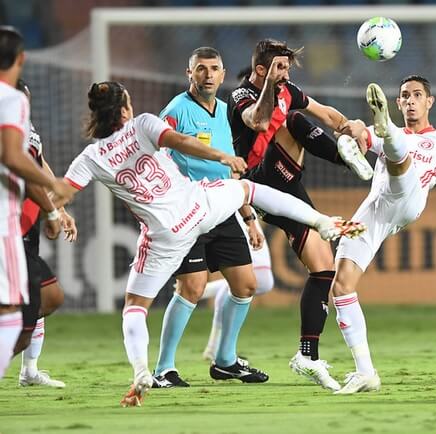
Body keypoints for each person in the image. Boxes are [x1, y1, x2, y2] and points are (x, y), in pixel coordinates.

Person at [55, 81, 365, 407]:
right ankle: (322, 222)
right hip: (197, 206)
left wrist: (57, 212)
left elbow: (61, 190)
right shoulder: (142, 123)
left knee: (135, 307)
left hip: (165, 235)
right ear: (124, 109)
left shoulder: (89, 157)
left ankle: (141, 372)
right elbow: (180, 142)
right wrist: (221, 155)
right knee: (248, 190)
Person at [228, 39, 371, 391]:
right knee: (291, 120)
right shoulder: (241, 96)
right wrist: (273, 90)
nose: (285, 74)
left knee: (323, 268)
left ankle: (307, 355)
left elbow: (325, 113)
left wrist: (352, 127)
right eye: (278, 68)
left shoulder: (287, 89)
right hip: (259, 181)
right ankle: (344, 159)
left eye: (287, 68)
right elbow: (258, 123)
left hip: (289, 185)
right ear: (260, 70)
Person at [330, 78, 436, 394]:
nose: (410, 101)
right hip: (377, 207)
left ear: (430, 101)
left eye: (417, 96)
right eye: (404, 97)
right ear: (398, 104)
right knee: (341, 285)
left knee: (400, 160)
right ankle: (366, 373)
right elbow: (350, 130)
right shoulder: (379, 135)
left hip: (410, 197)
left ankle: (386, 131)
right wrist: (351, 133)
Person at [152, 47, 271, 388]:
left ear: (222, 74)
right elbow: (156, 152)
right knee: (191, 286)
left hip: (222, 208)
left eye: (214, 69)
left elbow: (230, 165)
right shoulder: (176, 110)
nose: (207, 74)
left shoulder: (225, 111)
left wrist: (248, 216)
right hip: (188, 212)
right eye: (200, 69)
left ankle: (225, 361)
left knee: (247, 284)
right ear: (189, 73)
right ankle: (164, 368)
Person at [0, 26, 72, 381]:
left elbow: (34, 158)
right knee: (22, 310)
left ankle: (29, 369)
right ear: (20, 58)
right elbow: (18, 160)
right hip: (6, 225)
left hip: (18, 224)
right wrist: (54, 193)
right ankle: (27, 368)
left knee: (23, 307)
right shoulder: (11, 101)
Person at [200, 64, 274, 362]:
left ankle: (213, 342)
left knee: (262, 282)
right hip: (231, 204)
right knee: (252, 281)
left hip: (245, 203)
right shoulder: (234, 120)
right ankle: (218, 347)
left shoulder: (270, 117)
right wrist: (249, 216)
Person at [13, 79, 77, 389]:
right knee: (47, 297)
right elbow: (24, 169)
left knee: (37, 300)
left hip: (28, 224)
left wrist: (58, 207)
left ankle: (30, 370)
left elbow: (39, 163)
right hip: (10, 227)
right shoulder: (9, 131)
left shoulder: (25, 125)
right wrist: (51, 209)